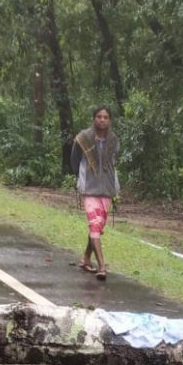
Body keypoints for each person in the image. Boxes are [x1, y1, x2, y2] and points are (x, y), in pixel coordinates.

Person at [70, 106, 119, 281]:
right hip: (89, 189)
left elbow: (114, 162)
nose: (102, 120)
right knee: (94, 225)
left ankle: (85, 258)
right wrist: (81, 179)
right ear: (94, 119)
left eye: (106, 117)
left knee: (97, 227)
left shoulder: (113, 140)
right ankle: (102, 266)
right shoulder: (82, 138)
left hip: (107, 190)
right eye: (99, 116)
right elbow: (74, 161)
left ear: (110, 120)